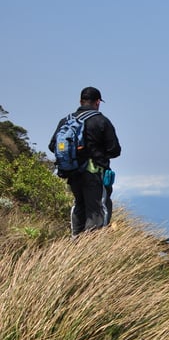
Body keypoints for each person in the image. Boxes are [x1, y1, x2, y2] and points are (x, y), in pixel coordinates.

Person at [50, 86, 122, 236]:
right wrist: (98, 153)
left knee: (79, 206)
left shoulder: (66, 121)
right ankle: (92, 245)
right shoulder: (101, 121)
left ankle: (76, 241)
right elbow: (115, 150)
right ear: (98, 102)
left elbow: (52, 146)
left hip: (72, 172)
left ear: (80, 101)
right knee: (97, 209)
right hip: (94, 173)